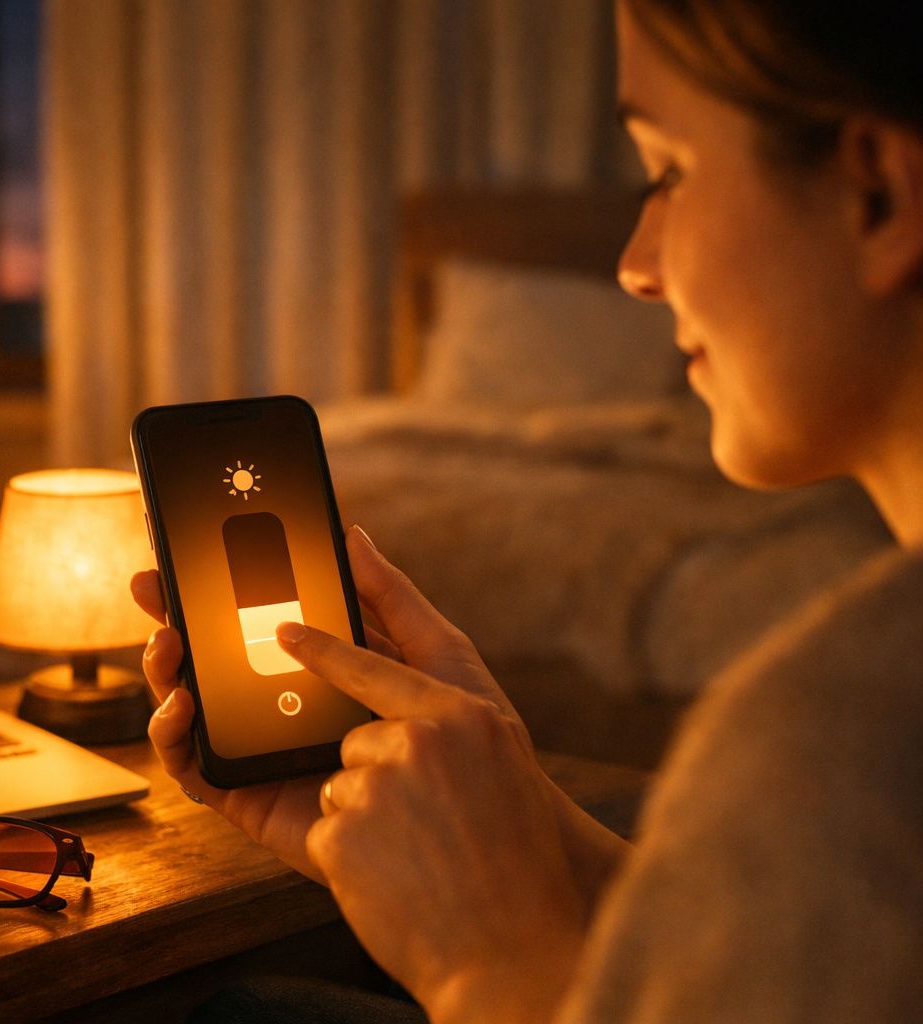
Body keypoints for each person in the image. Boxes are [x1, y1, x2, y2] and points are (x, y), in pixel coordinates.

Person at [131, 1, 923, 1020]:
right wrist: (514, 809)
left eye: (668, 170)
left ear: (877, 193)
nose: (635, 265)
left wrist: (483, 970)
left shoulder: (843, 734)